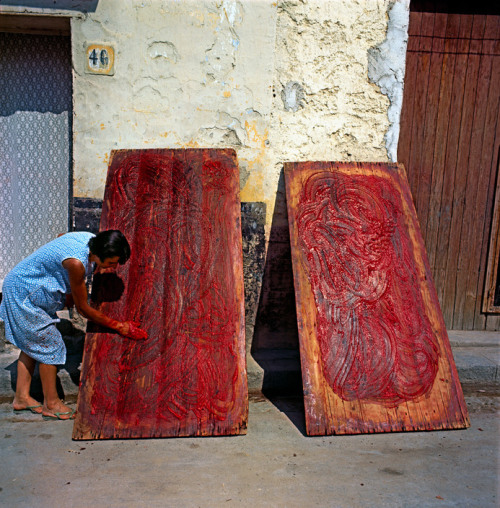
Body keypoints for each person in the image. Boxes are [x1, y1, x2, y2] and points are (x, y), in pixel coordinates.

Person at [0, 230, 147, 420]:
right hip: (23, 292)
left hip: (28, 288)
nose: (112, 267)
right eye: (111, 262)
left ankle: (22, 397)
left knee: (33, 343)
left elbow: (61, 236)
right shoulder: (77, 264)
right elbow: (83, 309)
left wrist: (68, 291)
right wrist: (119, 326)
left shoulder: (88, 238)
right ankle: (51, 404)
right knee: (50, 344)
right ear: (100, 253)